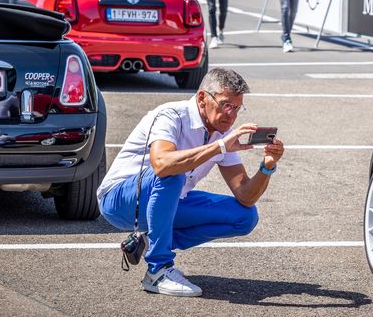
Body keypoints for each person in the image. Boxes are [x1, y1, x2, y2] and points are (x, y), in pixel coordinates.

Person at [98, 68, 285, 297]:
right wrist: (221, 146)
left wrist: (267, 166)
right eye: (226, 105)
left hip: (167, 201)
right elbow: (162, 164)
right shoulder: (171, 115)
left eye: (237, 108)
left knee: (245, 217)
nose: (231, 115)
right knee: (173, 171)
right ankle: (158, 271)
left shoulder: (219, 134)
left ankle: (151, 242)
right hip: (120, 200)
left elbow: (246, 195)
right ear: (202, 98)